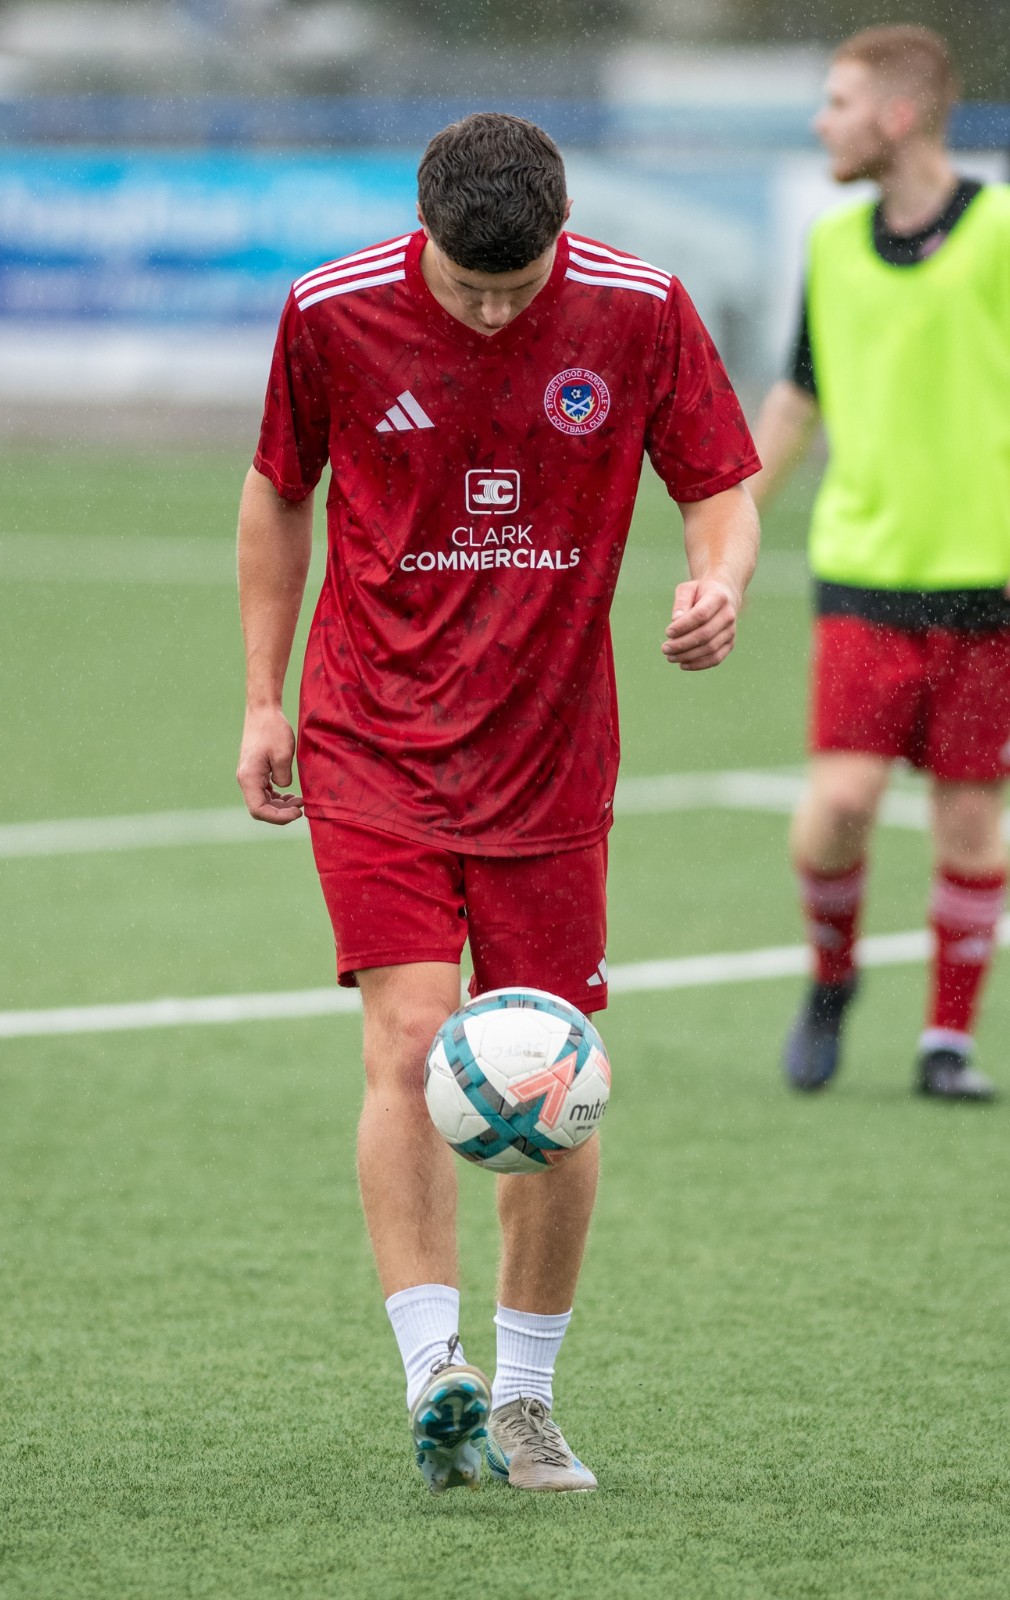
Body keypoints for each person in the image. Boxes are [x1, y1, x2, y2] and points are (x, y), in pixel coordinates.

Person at [236, 111, 760, 1494]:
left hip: (551, 758)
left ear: (560, 238)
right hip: (373, 735)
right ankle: (436, 1376)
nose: (489, 311)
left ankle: (525, 1398)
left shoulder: (640, 309)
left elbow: (720, 487)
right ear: (423, 231)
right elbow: (278, 494)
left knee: (554, 1078)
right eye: (467, 287)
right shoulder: (331, 311)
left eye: (516, 289)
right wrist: (262, 695)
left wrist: (718, 580)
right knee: (410, 1037)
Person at [751, 26, 1010, 1101]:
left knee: (969, 818)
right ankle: (831, 978)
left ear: (897, 116)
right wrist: (732, 518)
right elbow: (798, 394)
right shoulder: (831, 244)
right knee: (842, 803)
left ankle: (946, 1041)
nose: (823, 123)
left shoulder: (1000, 232)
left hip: (987, 579)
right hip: (862, 569)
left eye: (840, 102)